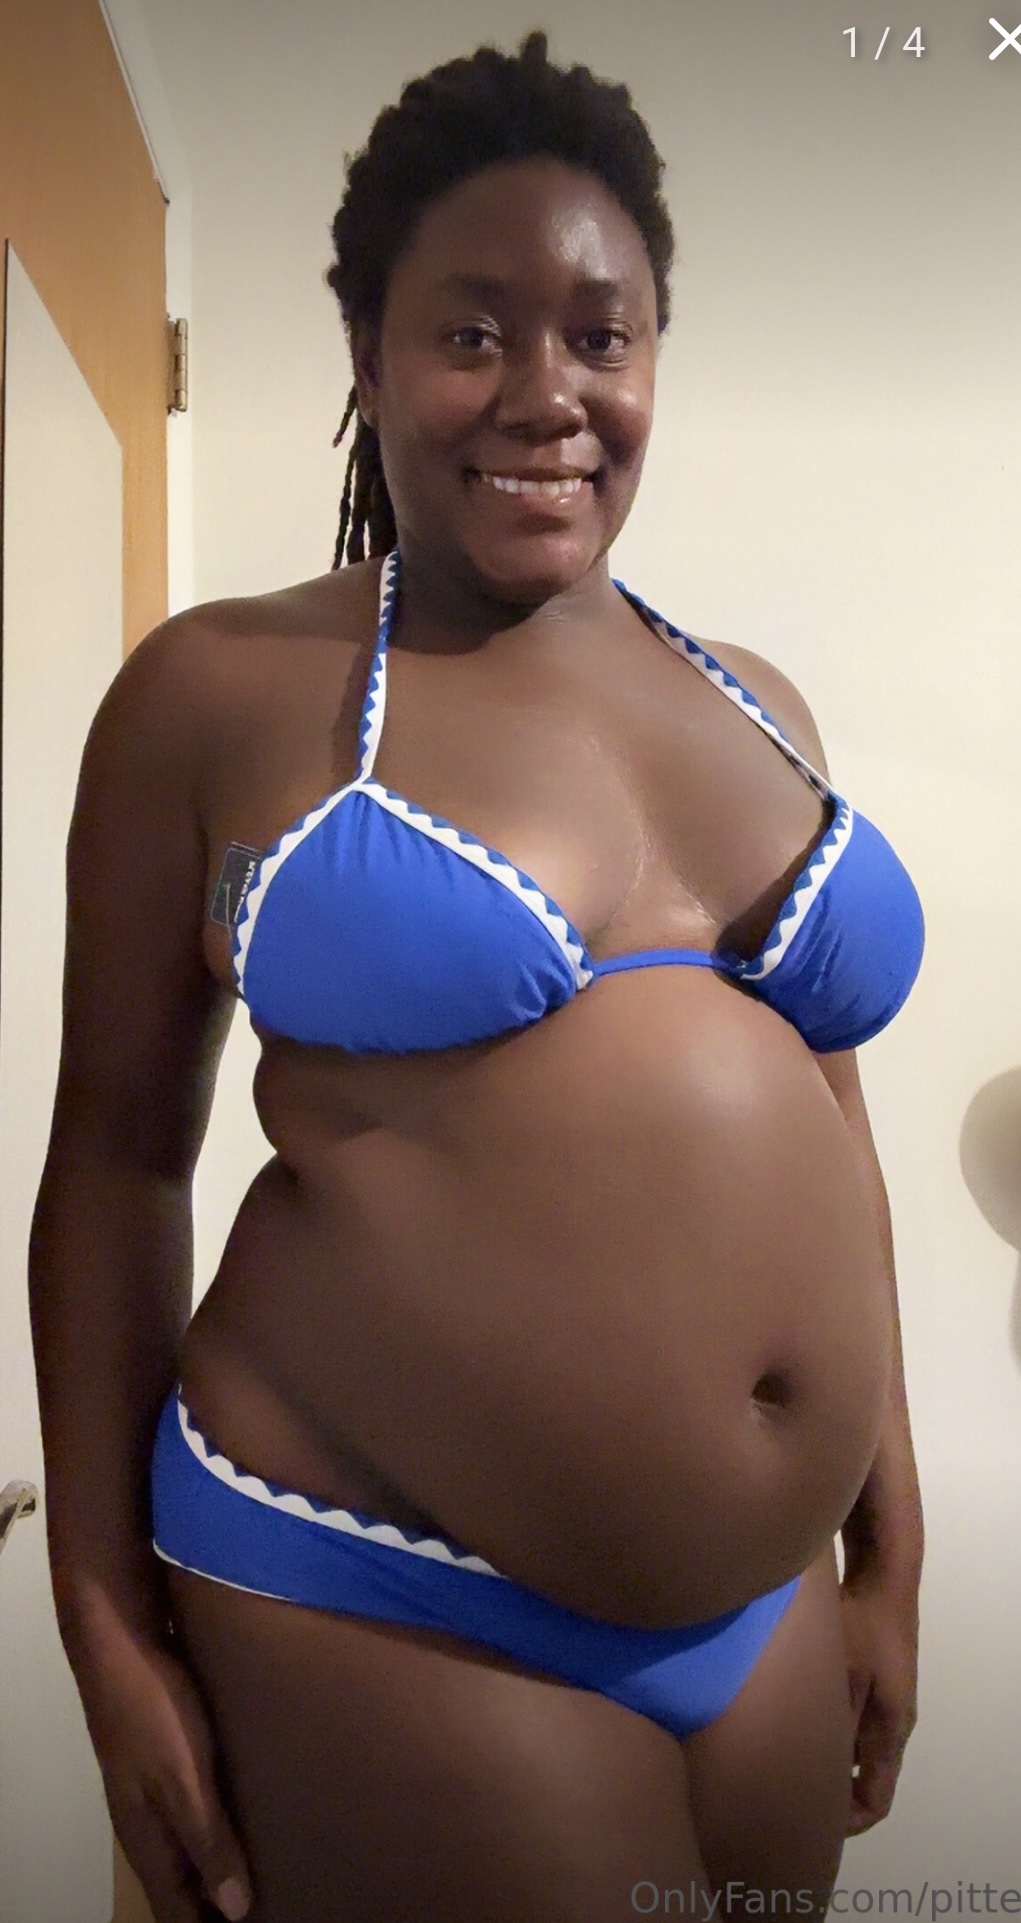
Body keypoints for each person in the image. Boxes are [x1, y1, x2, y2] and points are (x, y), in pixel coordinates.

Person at [29, 30, 925, 1923]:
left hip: (764, 1612)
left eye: (601, 335)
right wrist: (97, 1616)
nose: (547, 394)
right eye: (471, 333)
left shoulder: (758, 705)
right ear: (366, 357)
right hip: (384, 1593)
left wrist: (888, 1543)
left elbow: (832, 1146)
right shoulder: (217, 691)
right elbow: (114, 1161)